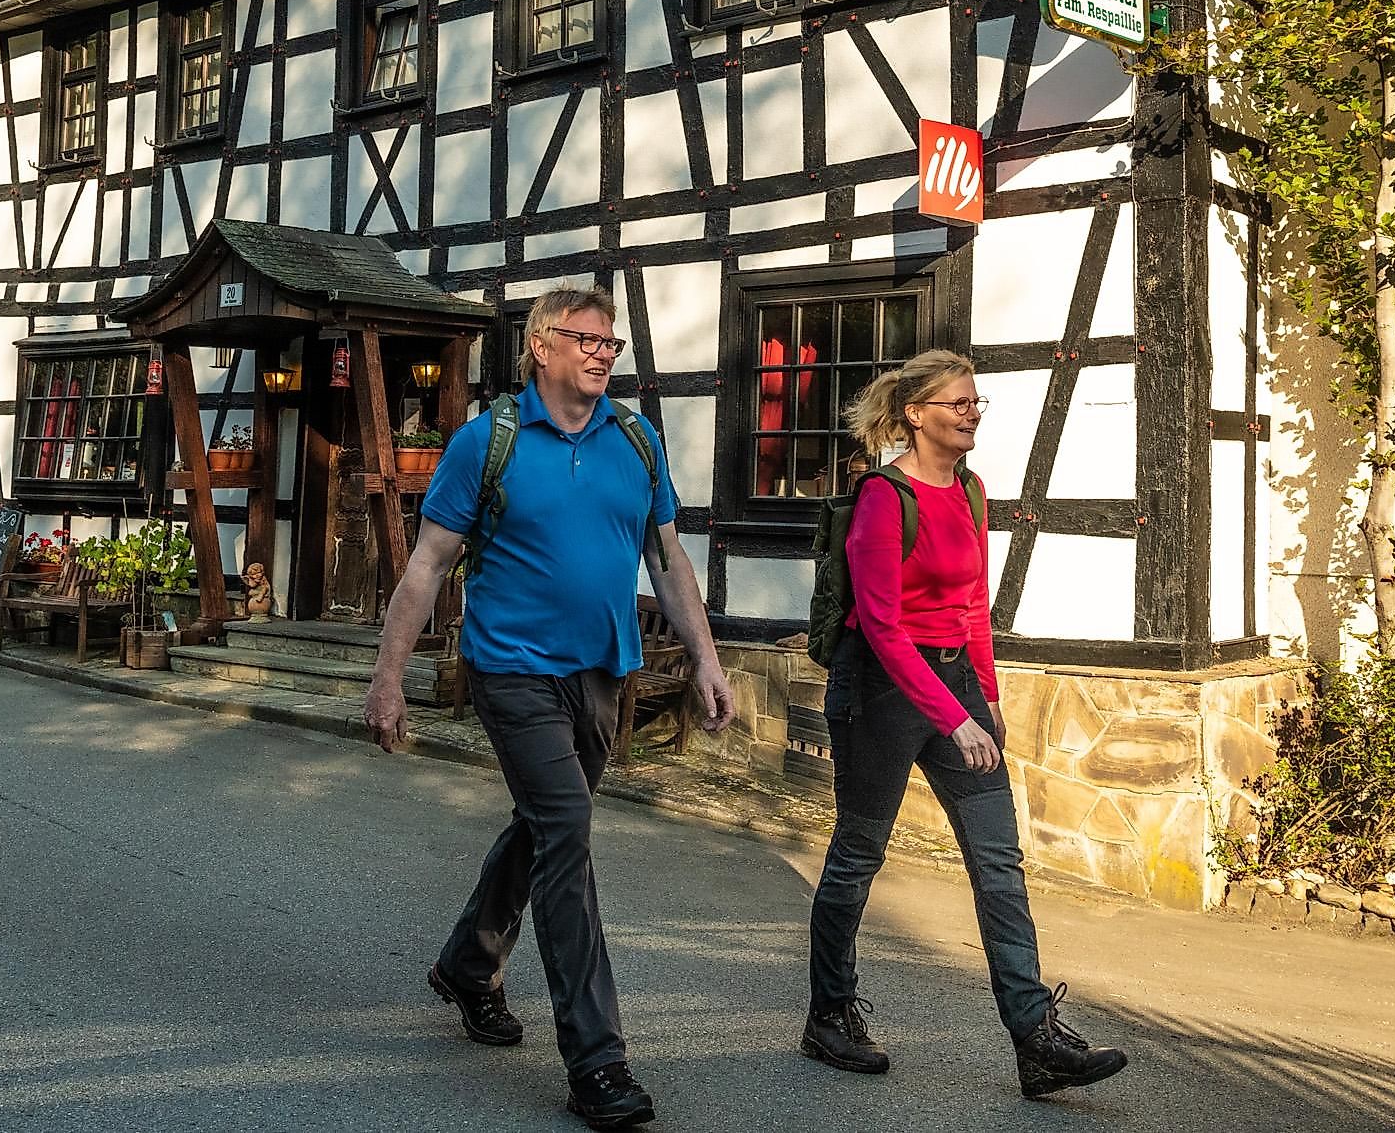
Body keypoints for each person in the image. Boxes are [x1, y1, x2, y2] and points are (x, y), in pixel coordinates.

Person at [365, 286, 735, 1131]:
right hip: (511, 670)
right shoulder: (487, 440)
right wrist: (388, 678)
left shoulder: (636, 440)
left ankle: (469, 963)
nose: (603, 353)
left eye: (611, 342)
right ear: (541, 345)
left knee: (543, 825)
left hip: (601, 672)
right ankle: (596, 1060)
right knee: (566, 824)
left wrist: (707, 659)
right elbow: (427, 564)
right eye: (586, 339)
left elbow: (668, 559)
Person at [800, 348, 1129, 1101]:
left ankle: (1036, 1039)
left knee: (998, 860)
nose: (972, 412)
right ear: (916, 414)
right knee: (858, 854)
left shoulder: (972, 489)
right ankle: (828, 1015)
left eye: (976, 401)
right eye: (958, 402)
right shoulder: (884, 497)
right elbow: (881, 626)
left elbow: (974, 601)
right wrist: (955, 721)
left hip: (955, 684)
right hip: (880, 689)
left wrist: (987, 696)